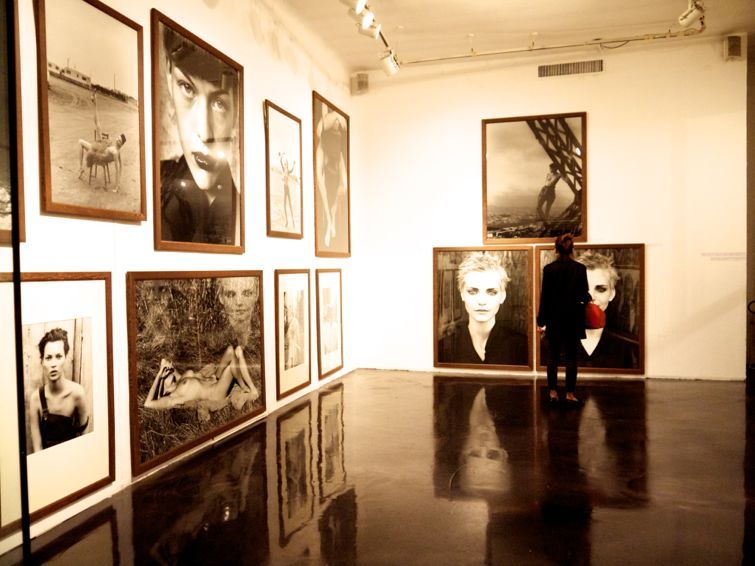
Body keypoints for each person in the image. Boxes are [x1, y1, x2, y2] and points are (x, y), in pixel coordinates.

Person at [159, 26, 240, 245]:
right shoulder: (158, 182)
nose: (204, 133)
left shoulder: (243, 214)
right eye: (187, 88)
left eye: (219, 103)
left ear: (237, 111)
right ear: (169, 76)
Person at [439, 252, 528, 366]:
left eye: (491, 292)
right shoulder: (443, 348)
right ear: (462, 294)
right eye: (472, 292)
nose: (481, 301)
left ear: (503, 296)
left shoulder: (522, 347)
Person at [537, 233, 592, 405]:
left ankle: (553, 393)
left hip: (554, 319)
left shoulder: (549, 269)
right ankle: (569, 394)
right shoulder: (580, 269)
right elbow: (584, 294)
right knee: (571, 358)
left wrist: (540, 321)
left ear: (556, 249)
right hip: (573, 319)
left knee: (552, 357)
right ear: (572, 249)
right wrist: (586, 300)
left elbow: (545, 297)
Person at [29, 328, 89, 452]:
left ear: (65, 358)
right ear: (42, 362)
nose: (53, 364)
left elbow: (86, 443)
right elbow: (37, 448)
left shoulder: (78, 394)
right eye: (48, 358)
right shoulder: (36, 399)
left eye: (58, 356)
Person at [144, 345, 257, 411]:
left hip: (214, 378)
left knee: (230, 350)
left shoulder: (179, 380)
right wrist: (159, 375)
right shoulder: (173, 398)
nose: (167, 371)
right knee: (231, 364)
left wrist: (165, 370)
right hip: (214, 393)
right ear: (163, 389)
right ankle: (249, 388)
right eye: (165, 373)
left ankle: (244, 382)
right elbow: (148, 404)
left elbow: (164, 361)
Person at [577, 250, 640, 369]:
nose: (591, 297)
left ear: (612, 294)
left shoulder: (629, 348)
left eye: (601, 289)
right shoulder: (549, 343)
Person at [77, 91, 127, 191]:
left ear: (121, 144)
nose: (117, 140)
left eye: (119, 141)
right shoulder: (117, 150)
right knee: (97, 126)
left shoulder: (116, 153)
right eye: (118, 138)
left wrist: (116, 187)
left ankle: (81, 168)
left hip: (99, 155)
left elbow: (117, 169)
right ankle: (95, 103)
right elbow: (121, 167)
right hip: (101, 149)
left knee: (82, 141)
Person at [314, 103, 347, 248]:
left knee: (344, 186)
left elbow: (342, 125)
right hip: (327, 149)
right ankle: (329, 221)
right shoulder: (325, 121)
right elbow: (320, 129)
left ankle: (331, 218)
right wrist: (336, 115)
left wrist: (336, 116)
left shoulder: (335, 117)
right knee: (321, 182)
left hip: (336, 153)